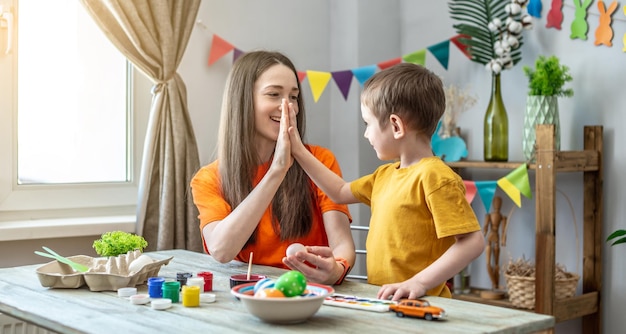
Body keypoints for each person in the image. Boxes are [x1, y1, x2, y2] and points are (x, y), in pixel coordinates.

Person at [283, 63, 485, 300]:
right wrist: (297, 150)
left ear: (396, 126)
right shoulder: (384, 176)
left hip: (423, 304)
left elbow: (473, 242)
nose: (366, 133)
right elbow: (338, 191)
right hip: (385, 300)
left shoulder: (436, 177)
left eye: (368, 124)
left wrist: (419, 282)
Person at [190, 51, 355, 286]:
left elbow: (343, 245)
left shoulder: (320, 160)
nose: (289, 107)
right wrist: (277, 170)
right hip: (245, 294)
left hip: (309, 294)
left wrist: (336, 269)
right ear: (243, 101)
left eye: (294, 97)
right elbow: (221, 250)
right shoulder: (208, 178)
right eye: (274, 94)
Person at [483, 195, 508, 291]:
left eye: (499, 203)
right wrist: (483, 234)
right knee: (488, 263)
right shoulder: (489, 215)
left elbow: (503, 231)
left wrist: (503, 239)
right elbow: (485, 227)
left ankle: (496, 285)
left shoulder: (502, 217)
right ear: (493, 204)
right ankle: (494, 283)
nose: (497, 205)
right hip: (490, 237)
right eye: (496, 203)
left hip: (497, 238)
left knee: (496, 264)